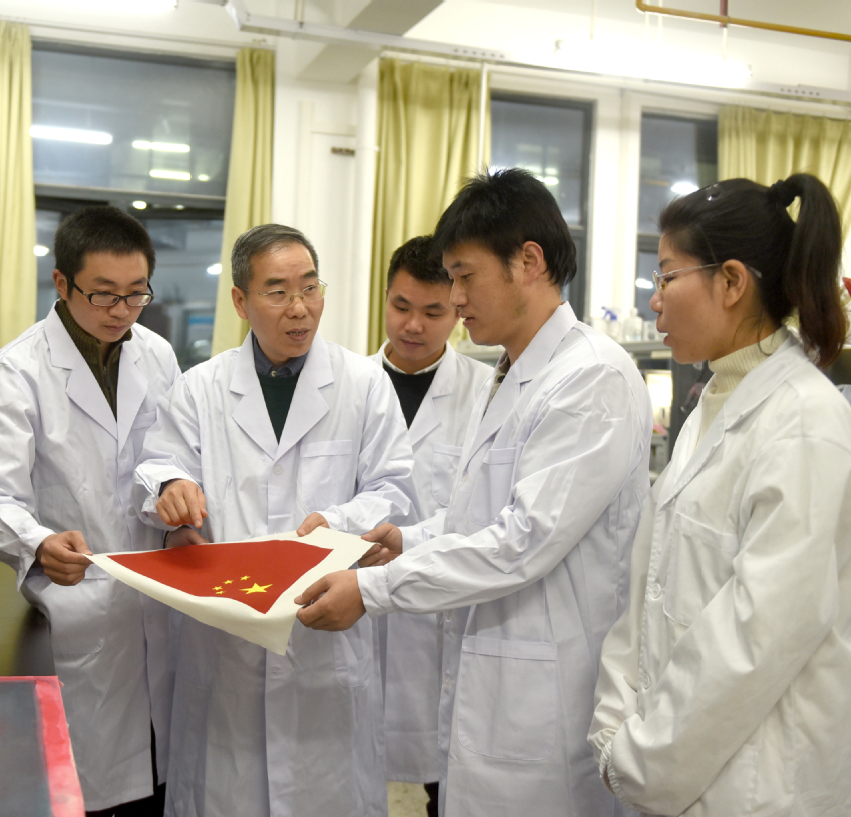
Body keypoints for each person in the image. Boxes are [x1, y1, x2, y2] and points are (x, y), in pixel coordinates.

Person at [296, 168, 653, 817]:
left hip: (547, 703)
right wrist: (404, 538)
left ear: (527, 261)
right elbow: (477, 516)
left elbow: (522, 541)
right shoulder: (515, 371)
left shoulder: (590, 378)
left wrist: (373, 591)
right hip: (495, 690)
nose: (455, 298)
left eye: (463, 276)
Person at [588, 175, 851, 816]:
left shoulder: (805, 427)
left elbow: (753, 644)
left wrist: (639, 758)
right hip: (683, 766)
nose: (655, 301)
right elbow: (651, 588)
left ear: (731, 282)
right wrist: (619, 724)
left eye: (666, 277)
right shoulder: (713, 404)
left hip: (769, 782)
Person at [132, 223, 417, 817]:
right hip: (227, 647)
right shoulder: (199, 389)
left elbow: (394, 489)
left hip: (324, 636)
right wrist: (171, 489)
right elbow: (159, 464)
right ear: (240, 300)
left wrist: (338, 520)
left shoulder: (363, 385)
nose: (300, 308)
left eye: (310, 287)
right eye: (278, 291)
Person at [0, 206, 179, 817]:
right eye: (103, 294)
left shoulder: (158, 355)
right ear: (61, 284)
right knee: (89, 791)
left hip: (160, 601)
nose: (121, 311)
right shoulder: (16, 371)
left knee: (163, 781)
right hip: (77, 607)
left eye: (136, 295)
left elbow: (172, 454)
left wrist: (175, 485)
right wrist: (36, 542)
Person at [371, 235, 492, 816]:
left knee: (443, 781)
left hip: (440, 616)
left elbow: (483, 509)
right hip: (361, 611)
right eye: (401, 306)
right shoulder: (348, 385)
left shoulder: (485, 393)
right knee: (351, 769)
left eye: (433, 311)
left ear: (458, 312)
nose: (413, 325)